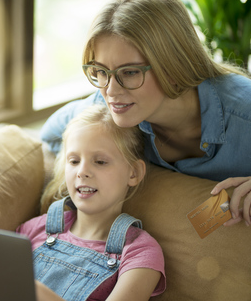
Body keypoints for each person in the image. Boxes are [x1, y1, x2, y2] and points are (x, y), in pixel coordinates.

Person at [40, 0, 251, 227]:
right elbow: (51, 135)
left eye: (130, 72)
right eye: (100, 71)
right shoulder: (108, 110)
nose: (110, 91)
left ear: (174, 67)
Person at [17, 104, 166, 301]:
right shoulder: (36, 228)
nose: (82, 171)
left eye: (100, 161)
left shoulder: (140, 252)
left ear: (134, 172)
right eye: (74, 161)